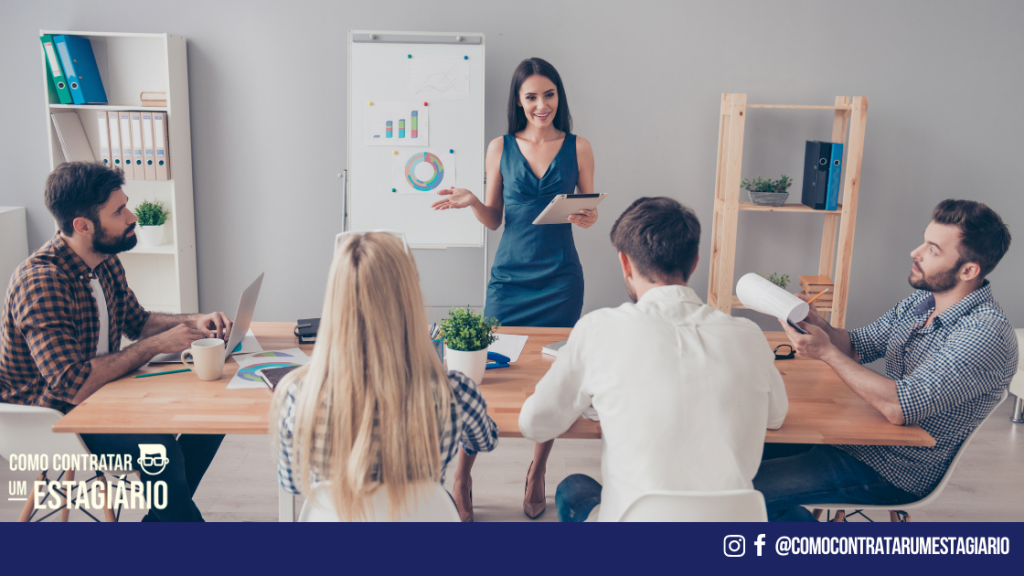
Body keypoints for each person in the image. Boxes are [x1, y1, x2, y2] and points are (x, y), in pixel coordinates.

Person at [519, 197, 789, 522]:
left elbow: (534, 424)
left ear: (625, 263)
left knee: (572, 489)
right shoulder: (748, 334)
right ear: (694, 262)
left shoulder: (598, 329)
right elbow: (776, 417)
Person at [755, 199, 1017, 521]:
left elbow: (898, 407)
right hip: (855, 439)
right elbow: (855, 346)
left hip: (896, 470)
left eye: (932, 250)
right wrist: (818, 323)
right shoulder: (921, 302)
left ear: (968, 270)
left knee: (745, 490)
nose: (915, 253)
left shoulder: (984, 334)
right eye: (924, 241)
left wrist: (826, 353)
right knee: (733, 457)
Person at [0, 161, 233, 522]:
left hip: (102, 396)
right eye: (118, 211)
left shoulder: (103, 259)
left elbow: (137, 322)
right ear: (83, 225)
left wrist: (193, 321)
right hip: (53, 418)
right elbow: (72, 386)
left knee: (213, 415)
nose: (131, 216)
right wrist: (156, 346)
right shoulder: (41, 281)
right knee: (160, 451)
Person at [431, 57, 596, 520]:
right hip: (510, 277)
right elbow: (496, 219)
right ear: (518, 101)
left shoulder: (579, 147)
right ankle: (462, 474)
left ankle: (538, 468)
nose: (541, 104)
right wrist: (471, 203)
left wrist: (589, 216)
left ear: (558, 97)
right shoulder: (499, 147)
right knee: (479, 375)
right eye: (531, 97)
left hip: (561, 279)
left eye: (548, 95)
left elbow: (586, 209)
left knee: (553, 378)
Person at [273, 231, 498, 521]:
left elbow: (291, 483)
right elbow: (486, 441)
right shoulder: (453, 392)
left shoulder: (297, 395)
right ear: (410, 300)